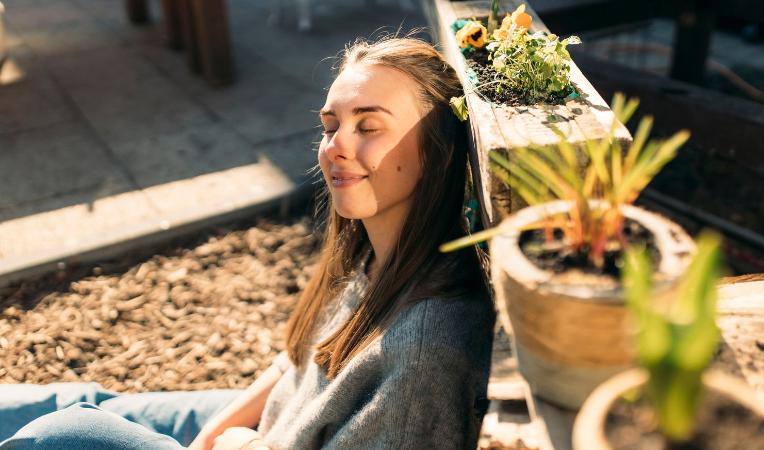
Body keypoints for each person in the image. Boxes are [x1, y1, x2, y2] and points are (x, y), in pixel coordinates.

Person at [0, 35, 496, 450]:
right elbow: (299, 362)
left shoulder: (427, 348)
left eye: (368, 126)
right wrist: (213, 436)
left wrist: (240, 442)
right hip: (268, 425)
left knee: (64, 434)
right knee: (68, 403)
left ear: (437, 151)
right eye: (330, 125)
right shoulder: (372, 257)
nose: (336, 145)